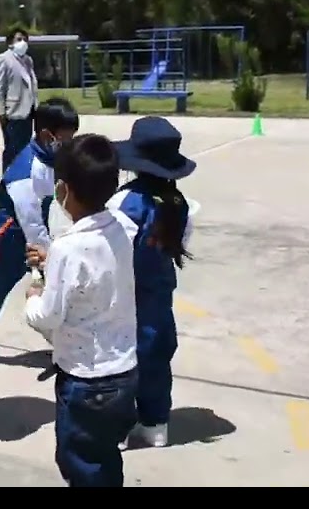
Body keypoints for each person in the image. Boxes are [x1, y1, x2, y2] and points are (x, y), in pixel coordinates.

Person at [23, 134, 138, 488]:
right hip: (124, 372)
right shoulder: (123, 227)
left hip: (86, 380)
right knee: (105, 454)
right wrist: (51, 262)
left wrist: (32, 297)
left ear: (65, 190)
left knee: (79, 461)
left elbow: (49, 316)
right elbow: (96, 268)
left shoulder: (68, 248)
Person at [0, 97, 80, 369]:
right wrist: (47, 256)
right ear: (45, 135)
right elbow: (31, 222)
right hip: (11, 233)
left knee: (58, 290)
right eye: (65, 139)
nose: (69, 144)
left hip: (35, 229)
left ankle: (67, 341)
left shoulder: (51, 159)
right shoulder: (26, 172)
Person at [106, 116, 197, 449]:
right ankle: (156, 422)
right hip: (160, 294)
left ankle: (117, 427)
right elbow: (182, 241)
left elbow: (112, 249)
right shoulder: (180, 203)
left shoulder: (123, 202)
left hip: (127, 296)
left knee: (121, 360)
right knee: (157, 356)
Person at [0, 27, 39, 169]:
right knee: (13, 149)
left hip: (28, 111)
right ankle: (8, 179)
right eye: (19, 39)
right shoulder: (2, 60)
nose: (23, 42)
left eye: (25, 39)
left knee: (24, 149)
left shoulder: (28, 61)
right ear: (10, 43)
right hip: (12, 112)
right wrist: (0, 113)